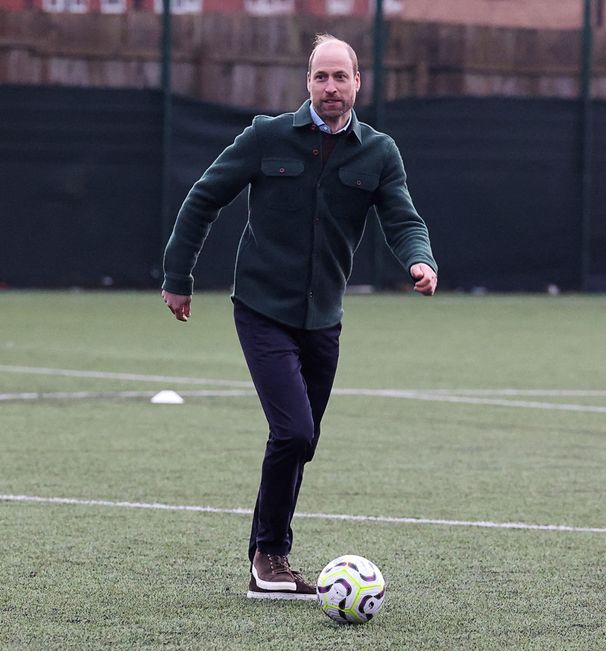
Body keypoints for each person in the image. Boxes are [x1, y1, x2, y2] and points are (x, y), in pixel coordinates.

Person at [161, 33, 438, 601]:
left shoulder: (379, 152)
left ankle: (268, 557)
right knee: (293, 430)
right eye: (321, 77)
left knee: (299, 440)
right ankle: (269, 557)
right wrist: (178, 278)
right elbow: (203, 197)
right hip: (262, 309)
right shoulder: (267, 136)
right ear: (307, 82)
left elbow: (402, 218)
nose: (330, 87)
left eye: (341, 77)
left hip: (325, 320)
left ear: (358, 82)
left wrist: (419, 259)